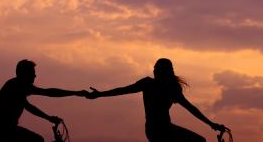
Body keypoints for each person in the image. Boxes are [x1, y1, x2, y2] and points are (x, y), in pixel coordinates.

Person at [87, 58, 227, 142]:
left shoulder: (172, 87)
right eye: (154, 68)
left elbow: (191, 108)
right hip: (155, 131)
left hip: (166, 128)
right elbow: (122, 90)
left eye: (157, 69)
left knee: (199, 141)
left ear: (165, 71)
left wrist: (211, 124)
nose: (154, 71)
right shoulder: (148, 83)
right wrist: (99, 94)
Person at [0, 59, 88, 142]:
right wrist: (76, 93)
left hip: (2, 128)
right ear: (25, 74)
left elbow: (32, 104)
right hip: (3, 129)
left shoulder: (16, 85)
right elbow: (47, 94)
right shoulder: (16, 86)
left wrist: (48, 117)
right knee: (37, 140)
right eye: (32, 73)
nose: (34, 76)